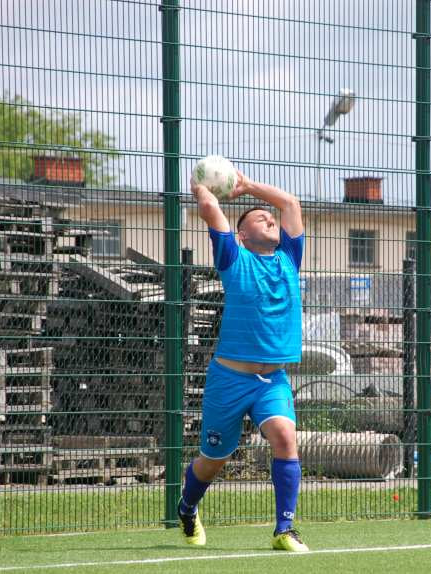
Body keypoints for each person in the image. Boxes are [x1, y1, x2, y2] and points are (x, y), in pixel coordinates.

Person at [178, 169, 308, 552]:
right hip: (229, 380)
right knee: (213, 459)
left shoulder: (289, 257)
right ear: (242, 235)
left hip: (273, 381)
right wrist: (203, 185)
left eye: (269, 217)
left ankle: (284, 529)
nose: (269, 217)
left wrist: (248, 186)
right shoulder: (233, 259)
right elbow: (210, 210)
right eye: (257, 217)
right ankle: (187, 508)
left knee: (285, 437)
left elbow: (290, 204)